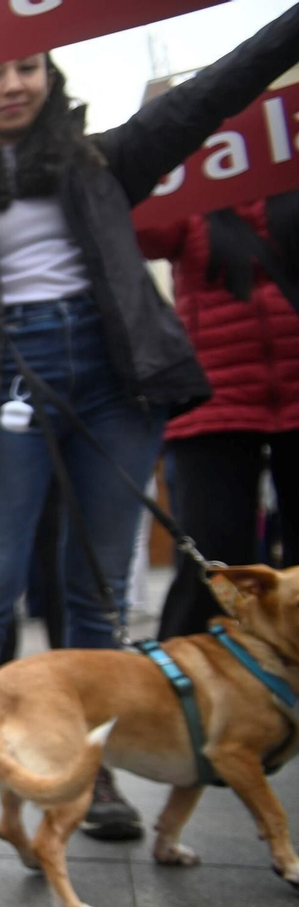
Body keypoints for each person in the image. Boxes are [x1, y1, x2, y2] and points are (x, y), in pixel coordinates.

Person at [0, 7, 299, 851]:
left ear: (50, 77)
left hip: (112, 382)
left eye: (26, 67)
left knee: (97, 588)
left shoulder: (105, 161)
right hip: (7, 384)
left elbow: (216, 91)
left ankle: (90, 774)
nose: (11, 84)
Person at [138, 193, 299, 641]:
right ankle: (183, 691)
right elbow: (142, 232)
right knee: (210, 562)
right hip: (215, 398)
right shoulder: (190, 185)